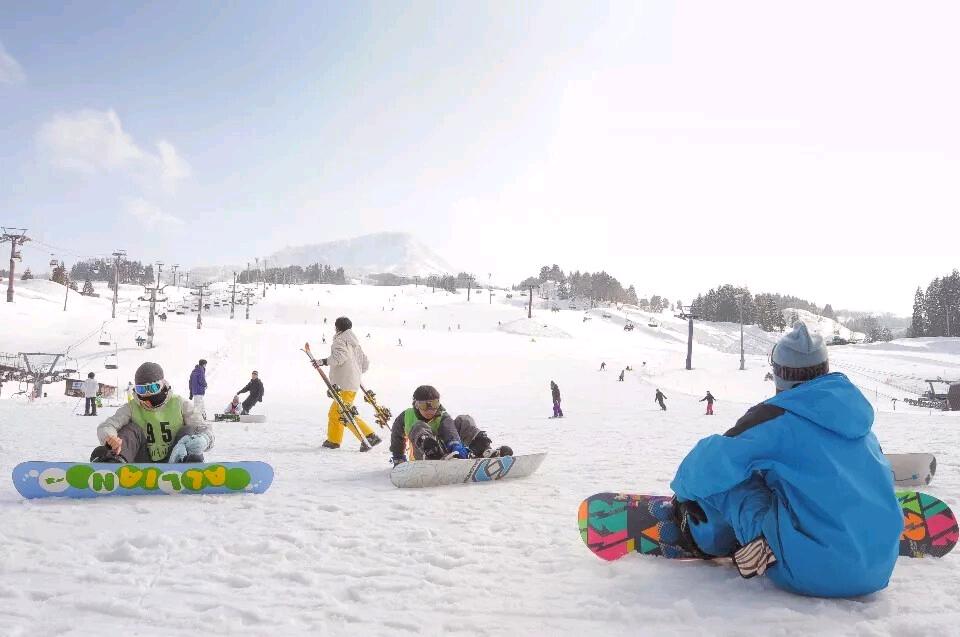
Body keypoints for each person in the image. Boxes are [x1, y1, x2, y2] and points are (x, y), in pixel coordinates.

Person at [668, 322, 902, 597]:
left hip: (809, 570)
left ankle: (705, 536)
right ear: (825, 367)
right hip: (879, 568)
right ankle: (859, 528)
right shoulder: (856, 415)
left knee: (731, 484)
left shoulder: (775, 418)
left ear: (778, 374)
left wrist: (682, 493)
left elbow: (709, 463)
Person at [89, 362, 214, 463]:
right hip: (143, 459)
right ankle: (116, 461)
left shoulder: (179, 403)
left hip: (175, 457)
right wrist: (110, 437)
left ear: (162, 385)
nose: (147, 394)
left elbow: (203, 428)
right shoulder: (133, 407)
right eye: (142, 390)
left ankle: (189, 462)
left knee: (189, 431)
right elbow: (107, 425)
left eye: (152, 388)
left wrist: (204, 439)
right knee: (131, 430)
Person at [389, 385, 512, 464]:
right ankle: (434, 454)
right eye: (424, 405)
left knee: (463, 419)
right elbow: (396, 437)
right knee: (420, 426)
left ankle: (483, 449)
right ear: (416, 404)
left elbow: (450, 430)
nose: (430, 410)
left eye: (434, 404)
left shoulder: (442, 415)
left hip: (450, 453)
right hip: (423, 457)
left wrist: (456, 446)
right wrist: (399, 458)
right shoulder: (406, 416)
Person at [317, 317, 381, 450]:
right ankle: (333, 440)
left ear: (338, 327)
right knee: (336, 413)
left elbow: (339, 358)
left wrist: (323, 361)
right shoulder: (355, 343)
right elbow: (365, 363)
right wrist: (355, 373)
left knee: (343, 413)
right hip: (352, 383)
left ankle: (369, 435)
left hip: (343, 384)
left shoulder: (339, 340)